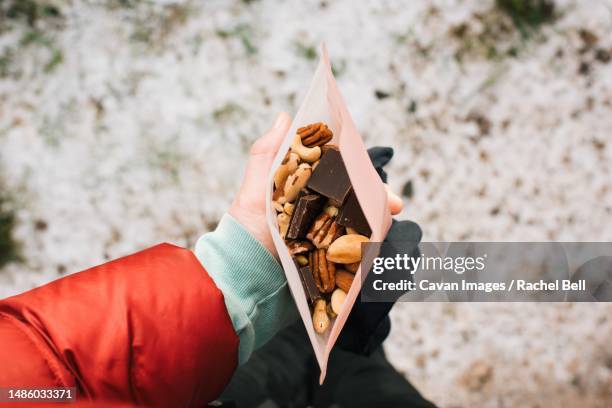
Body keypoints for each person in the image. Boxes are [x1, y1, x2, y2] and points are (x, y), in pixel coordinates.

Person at [0, 113, 435, 407]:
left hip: (208, 388)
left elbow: (44, 371)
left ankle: (333, 358)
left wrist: (240, 277)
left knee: (340, 375)